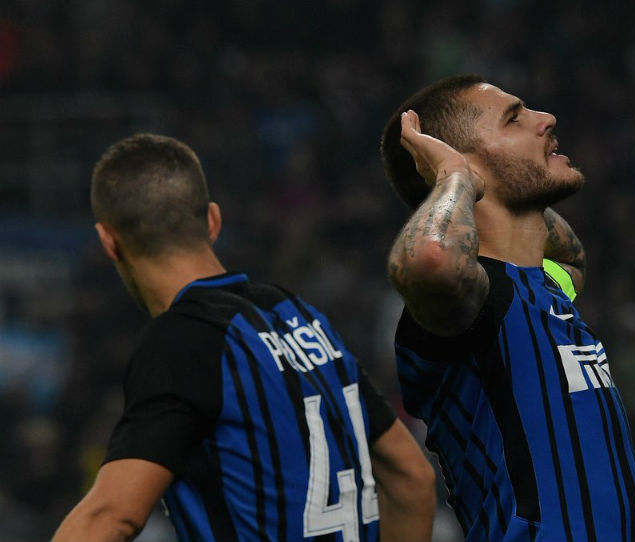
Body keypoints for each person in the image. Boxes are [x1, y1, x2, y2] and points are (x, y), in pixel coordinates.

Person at [52, 134, 435, 542]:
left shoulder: (181, 340)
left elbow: (112, 516)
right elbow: (412, 477)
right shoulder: (299, 316)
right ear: (213, 221)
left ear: (109, 242)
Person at [380, 75, 635, 542]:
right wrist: (456, 177)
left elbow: (573, 258)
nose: (546, 119)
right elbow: (429, 260)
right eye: (514, 119)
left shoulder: (546, 285)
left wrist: (503, 191)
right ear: (462, 164)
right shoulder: (469, 303)